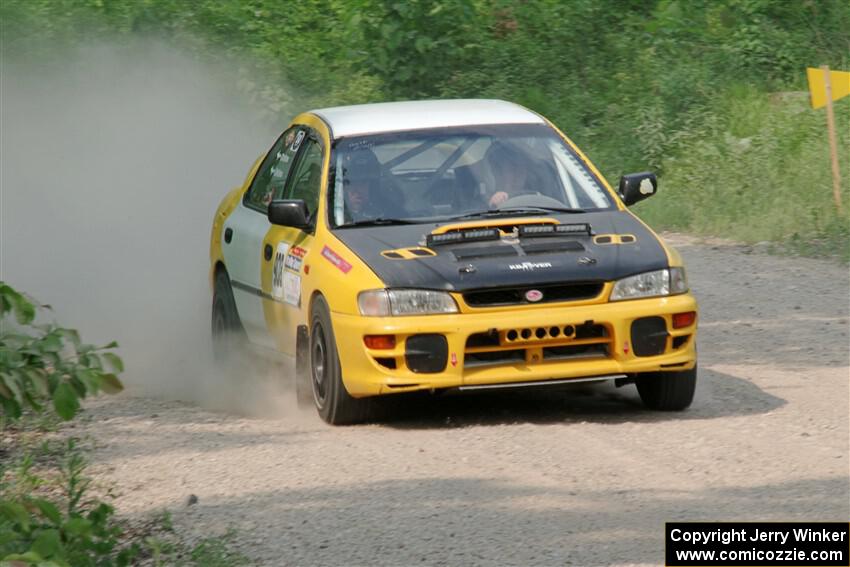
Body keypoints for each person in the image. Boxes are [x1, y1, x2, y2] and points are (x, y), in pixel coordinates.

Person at [485, 142, 532, 208]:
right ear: (497, 173)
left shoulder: (538, 199)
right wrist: (492, 205)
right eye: (513, 169)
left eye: (522, 170)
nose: (519, 175)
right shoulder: (480, 202)